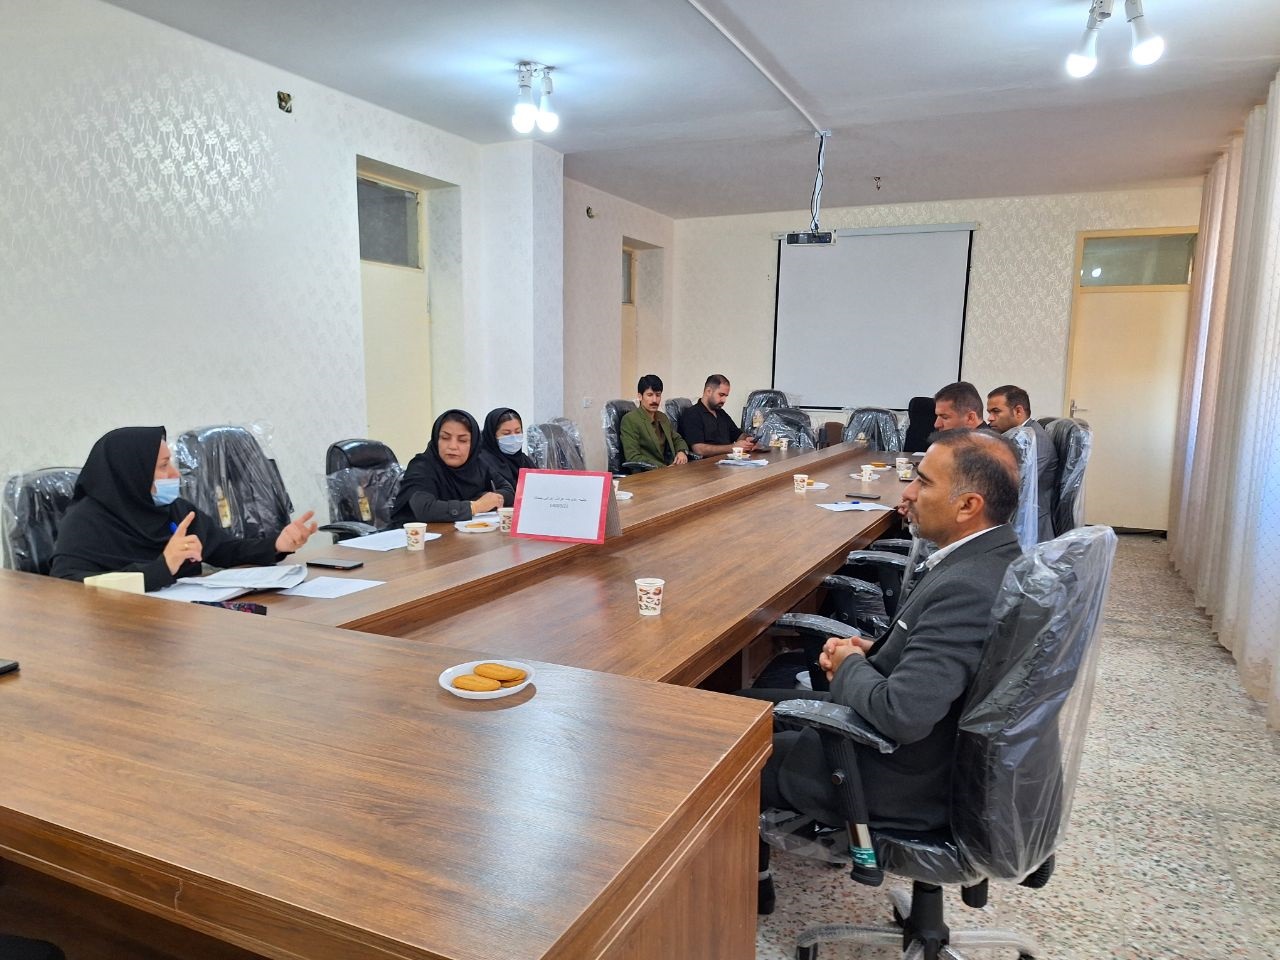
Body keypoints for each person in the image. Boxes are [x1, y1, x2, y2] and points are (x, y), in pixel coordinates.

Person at [750, 429, 1023, 913]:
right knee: (737, 706)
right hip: (936, 752)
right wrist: (878, 650)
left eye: (924, 482)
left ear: (968, 506)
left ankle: (734, 892)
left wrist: (850, 664)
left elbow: (902, 714)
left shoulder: (967, 587)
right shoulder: (994, 559)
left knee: (722, 742)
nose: (909, 493)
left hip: (902, 777)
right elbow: (953, 667)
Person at [50, 427, 318, 592]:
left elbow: (225, 549)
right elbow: (68, 586)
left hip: (178, 626)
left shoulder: (173, 509)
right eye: (163, 466)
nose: (175, 474)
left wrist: (277, 544)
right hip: (119, 634)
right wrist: (161, 568)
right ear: (131, 474)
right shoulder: (85, 521)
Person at [390, 409, 514, 525]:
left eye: (462, 440)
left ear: (473, 444)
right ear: (436, 439)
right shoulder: (421, 466)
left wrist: (490, 498)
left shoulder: (479, 465)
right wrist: (476, 506)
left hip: (461, 535)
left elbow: (508, 490)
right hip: (417, 537)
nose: (453, 446)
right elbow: (424, 508)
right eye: (445, 438)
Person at [987, 385, 1058, 542]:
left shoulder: (1035, 441)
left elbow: (1013, 486)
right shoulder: (1017, 436)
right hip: (1015, 515)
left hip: (1030, 527)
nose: (990, 418)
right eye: (989, 412)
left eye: (996, 411)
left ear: (1018, 411)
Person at [677, 374, 757, 457]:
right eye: (721, 395)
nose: (724, 400)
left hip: (728, 461)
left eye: (726, 396)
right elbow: (699, 450)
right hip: (707, 463)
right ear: (708, 391)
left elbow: (737, 435)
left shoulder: (721, 413)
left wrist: (748, 440)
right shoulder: (692, 414)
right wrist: (732, 447)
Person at [619, 374, 690, 468]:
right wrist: (663, 468)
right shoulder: (630, 420)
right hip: (648, 473)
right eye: (650, 395)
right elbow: (633, 457)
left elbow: (677, 439)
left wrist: (681, 451)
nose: (654, 400)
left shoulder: (662, 417)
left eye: (658, 395)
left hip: (670, 469)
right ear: (640, 396)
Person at [478, 407, 535, 498]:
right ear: (492, 435)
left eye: (518, 432)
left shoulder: (525, 461)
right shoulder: (482, 462)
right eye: (506, 433)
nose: (514, 437)